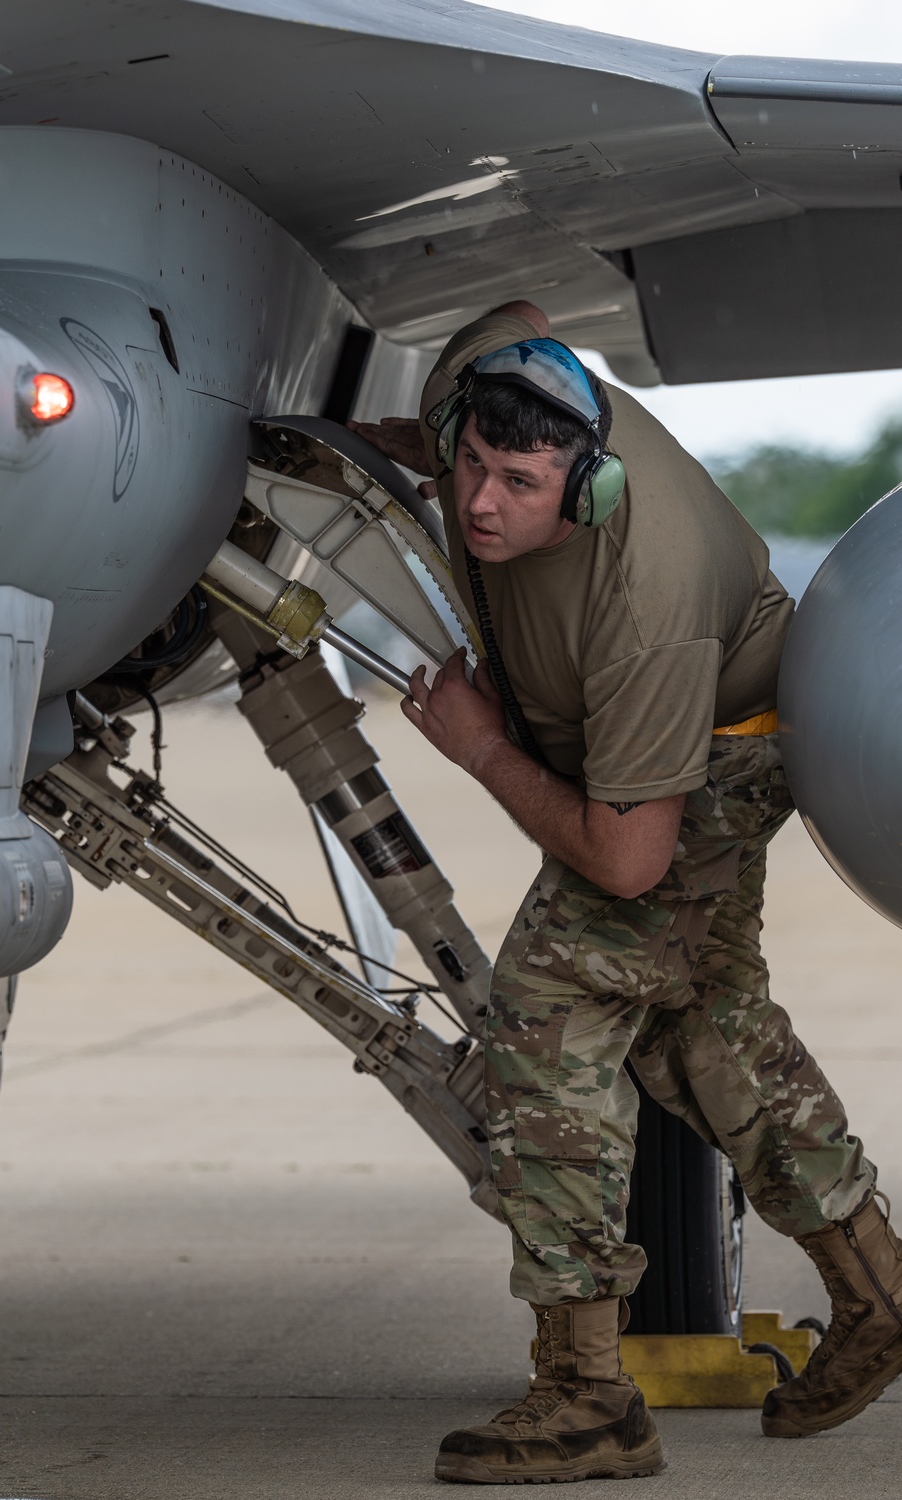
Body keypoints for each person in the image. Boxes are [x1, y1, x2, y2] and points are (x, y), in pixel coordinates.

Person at [349, 301, 902, 1486]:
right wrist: (414, 442)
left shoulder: (642, 603)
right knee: (704, 1025)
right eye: (469, 467)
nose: (482, 504)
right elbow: (518, 310)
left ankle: (588, 1396)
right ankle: (876, 1290)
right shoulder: (488, 385)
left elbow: (626, 861)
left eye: (519, 482)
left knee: (549, 1009)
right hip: (648, 757)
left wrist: (481, 746)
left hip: (709, 757)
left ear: (587, 491)